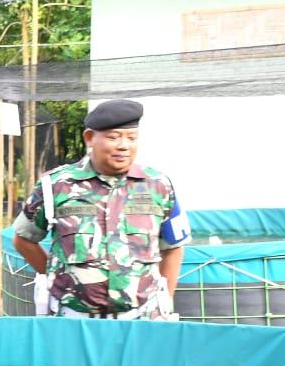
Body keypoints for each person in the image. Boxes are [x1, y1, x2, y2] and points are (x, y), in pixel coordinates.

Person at [12, 98, 190, 320]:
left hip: (142, 319)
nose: (124, 146)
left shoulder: (158, 185)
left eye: (132, 138)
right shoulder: (56, 185)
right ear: (89, 138)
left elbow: (173, 247)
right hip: (75, 320)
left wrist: (165, 301)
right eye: (113, 137)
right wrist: (59, 279)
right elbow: (24, 240)